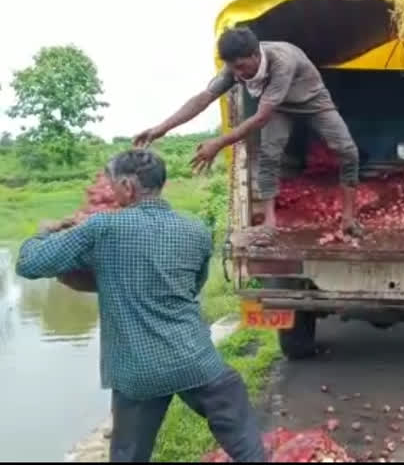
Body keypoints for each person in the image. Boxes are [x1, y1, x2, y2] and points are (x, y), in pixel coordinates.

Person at [15, 149, 266, 463]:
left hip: (137, 372)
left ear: (128, 187)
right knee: (240, 428)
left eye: (112, 183)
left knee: (128, 454)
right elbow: (190, 288)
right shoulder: (197, 231)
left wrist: (47, 230)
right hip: (196, 359)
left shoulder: (103, 229)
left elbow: (29, 263)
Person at [134, 26, 362, 245]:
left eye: (242, 67)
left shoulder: (282, 61)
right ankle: (269, 224)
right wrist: (161, 128)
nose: (238, 74)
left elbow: (261, 117)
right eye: (233, 69)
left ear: (255, 55)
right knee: (269, 155)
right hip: (278, 108)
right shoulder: (235, 68)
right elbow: (203, 99)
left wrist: (218, 143)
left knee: (347, 150)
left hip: (312, 100)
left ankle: (349, 217)